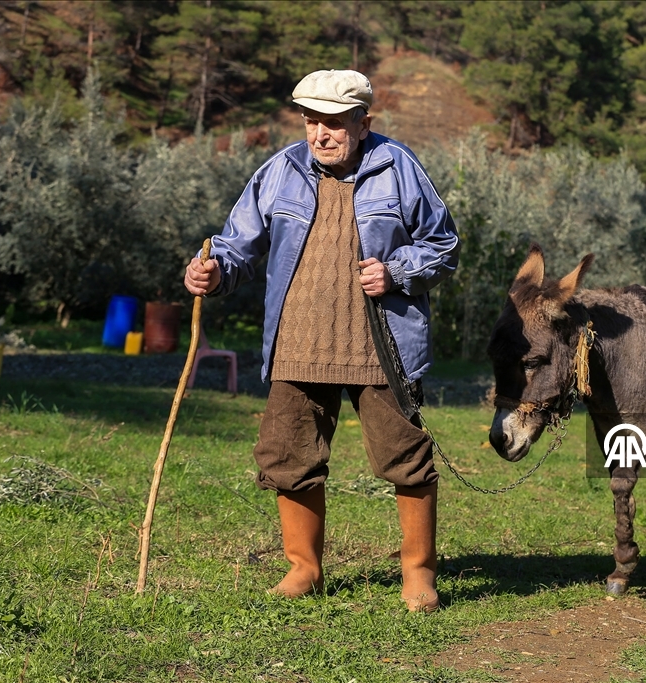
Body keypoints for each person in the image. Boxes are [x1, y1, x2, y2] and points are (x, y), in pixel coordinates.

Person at [184, 69, 459, 611]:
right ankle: (304, 569)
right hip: (298, 342)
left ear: (363, 123)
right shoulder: (280, 170)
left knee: (405, 458)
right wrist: (215, 272)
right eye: (311, 121)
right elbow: (237, 245)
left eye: (333, 122)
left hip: (380, 345)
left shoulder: (397, 166)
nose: (319, 134)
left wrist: (398, 271)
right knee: (289, 456)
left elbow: (443, 245)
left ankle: (418, 574)